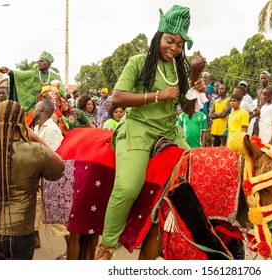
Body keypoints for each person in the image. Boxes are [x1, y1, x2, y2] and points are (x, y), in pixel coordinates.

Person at [95, 4, 206, 260]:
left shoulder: (180, 68)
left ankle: (181, 238)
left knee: (198, 175)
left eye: (180, 45)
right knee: (128, 187)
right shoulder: (138, 62)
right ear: (158, 36)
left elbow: (187, 110)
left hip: (170, 131)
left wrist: (196, 87)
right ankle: (106, 246)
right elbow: (117, 98)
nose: (174, 48)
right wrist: (157, 95)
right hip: (138, 129)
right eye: (170, 41)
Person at [0, 100, 64, 260]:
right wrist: (35, 137)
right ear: (22, 123)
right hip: (20, 234)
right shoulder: (36, 151)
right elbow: (58, 169)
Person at [0, 51, 65, 126]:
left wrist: (49, 89)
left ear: (48, 63)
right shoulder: (33, 73)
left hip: (53, 107)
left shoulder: (56, 77)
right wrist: (9, 71)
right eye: (38, 61)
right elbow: (21, 75)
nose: (39, 63)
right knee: (24, 124)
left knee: (64, 124)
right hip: (35, 107)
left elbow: (62, 92)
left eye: (42, 61)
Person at [32, 101, 65, 251]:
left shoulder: (51, 129)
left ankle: (71, 248)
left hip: (48, 180)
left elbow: (53, 157)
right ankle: (34, 239)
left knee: (57, 220)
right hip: (38, 178)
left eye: (36, 107)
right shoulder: (38, 127)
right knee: (35, 210)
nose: (33, 111)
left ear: (42, 109)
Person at [253, 71, 272, 136]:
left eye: (265, 78)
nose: (263, 80)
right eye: (261, 78)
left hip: (268, 120)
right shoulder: (259, 91)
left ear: (268, 79)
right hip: (259, 118)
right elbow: (258, 106)